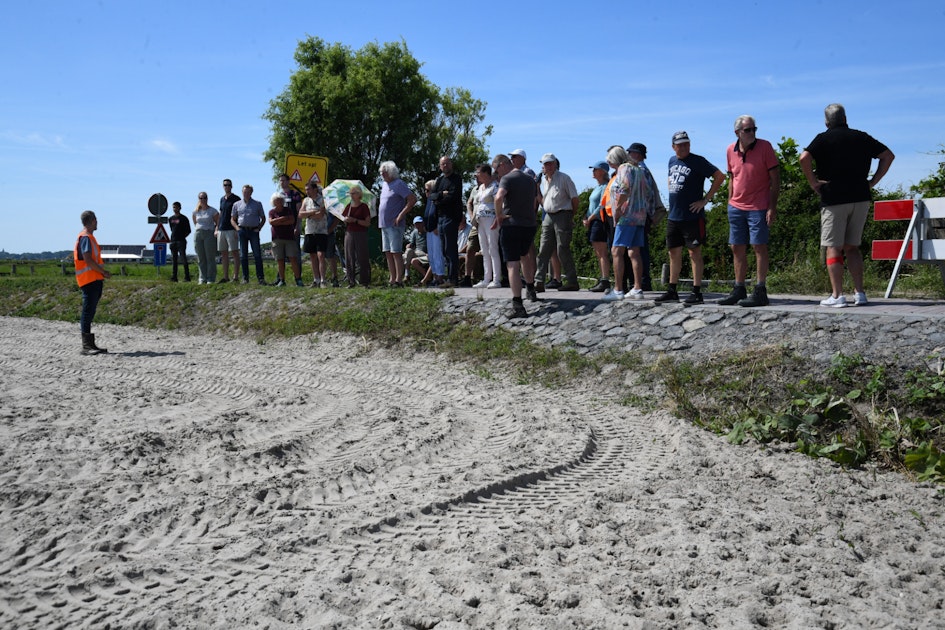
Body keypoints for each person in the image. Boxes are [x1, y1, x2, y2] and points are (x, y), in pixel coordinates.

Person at [800, 103, 895, 308]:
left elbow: (804, 157)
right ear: (845, 118)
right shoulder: (861, 137)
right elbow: (888, 156)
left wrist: (813, 183)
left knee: (833, 247)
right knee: (852, 247)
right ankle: (859, 293)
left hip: (834, 198)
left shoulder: (823, 138)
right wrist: (873, 181)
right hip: (860, 196)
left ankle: (837, 295)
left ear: (827, 122)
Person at [716, 116, 781, 308]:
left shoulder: (765, 147)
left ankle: (760, 289)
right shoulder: (730, 150)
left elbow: (775, 179)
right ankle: (739, 288)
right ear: (737, 133)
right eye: (748, 130)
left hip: (759, 206)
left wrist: (772, 206)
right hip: (736, 206)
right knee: (736, 247)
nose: (752, 133)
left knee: (759, 246)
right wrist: (729, 201)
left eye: (754, 129)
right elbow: (732, 177)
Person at [655, 131, 725, 305]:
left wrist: (705, 200)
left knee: (694, 252)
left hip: (692, 216)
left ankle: (696, 291)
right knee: (673, 253)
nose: (684, 147)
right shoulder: (671, 161)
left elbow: (720, 176)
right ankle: (672, 290)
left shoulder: (698, 161)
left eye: (686, 143)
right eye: (680, 144)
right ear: (673, 147)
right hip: (674, 216)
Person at [603, 147, 655, 301]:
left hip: (626, 216)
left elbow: (624, 188)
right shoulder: (638, 169)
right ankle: (637, 288)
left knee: (616, 251)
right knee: (634, 251)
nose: (610, 165)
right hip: (640, 216)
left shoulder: (624, 168)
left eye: (611, 161)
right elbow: (648, 192)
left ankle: (618, 290)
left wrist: (618, 209)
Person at [493, 153, 539, 318]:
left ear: (502, 165)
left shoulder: (507, 179)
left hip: (511, 224)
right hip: (529, 224)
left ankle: (518, 304)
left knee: (512, 264)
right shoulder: (529, 179)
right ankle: (531, 289)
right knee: (525, 256)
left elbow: (499, 198)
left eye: (496, 171)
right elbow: (536, 200)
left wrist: (498, 216)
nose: (497, 175)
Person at [536, 154, 580, 291]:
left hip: (563, 213)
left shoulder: (564, 178)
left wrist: (570, 216)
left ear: (555, 164)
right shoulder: (544, 181)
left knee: (562, 249)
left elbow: (575, 199)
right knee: (544, 249)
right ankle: (538, 281)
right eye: (544, 164)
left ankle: (572, 281)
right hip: (548, 214)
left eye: (549, 163)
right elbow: (545, 201)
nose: (546, 166)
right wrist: (536, 189)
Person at [627, 142, 665, 291]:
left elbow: (644, 193)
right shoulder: (644, 170)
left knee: (639, 249)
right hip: (644, 214)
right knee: (640, 249)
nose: (629, 156)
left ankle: (642, 282)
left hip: (639, 214)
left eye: (631, 153)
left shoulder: (640, 170)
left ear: (638, 154)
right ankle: (642, 281)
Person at [74, 210, 111, 355]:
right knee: (87, 312)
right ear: (93, 220)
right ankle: (86, 346)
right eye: (96, 220)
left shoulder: (87, 237)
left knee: (89, 312)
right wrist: (103, 272)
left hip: (93, 279)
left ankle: (90, 344)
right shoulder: (86, 238)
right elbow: (88, 260)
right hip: (89, 280)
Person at [378, 161, 417, 287]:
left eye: (384, 172)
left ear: (391, 172)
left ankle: (399, 280)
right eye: (381, 172)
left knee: (396, 252)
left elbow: (412, 199)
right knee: (388, 252)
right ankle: (392, 279)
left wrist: (401, 215)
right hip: (384, 223)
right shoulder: (384, 185)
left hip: (395, 223)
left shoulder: (399, 183)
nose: (382, 174)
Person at [431, 156, 464, 287]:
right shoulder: (439, 180)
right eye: (442, 164)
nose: (445, 166)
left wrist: (441, 198)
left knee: (450, 249)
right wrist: (441, 195)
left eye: (447, 163)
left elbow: (453, 196)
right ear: (440, 166)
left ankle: (453, 279)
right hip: (441, 218)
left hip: (451, 217)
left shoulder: (457, 179)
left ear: (451, 164)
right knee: (444, 250)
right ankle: (448, 277)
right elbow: (432, 196)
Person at [472, 163, 502, 289]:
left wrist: (497, 218)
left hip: (491, 219)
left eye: (478, 173)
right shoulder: (480, 188)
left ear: (485, 173)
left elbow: (499, 202)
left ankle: (496, 279)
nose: (476, 176)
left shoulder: (495, 186)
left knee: (493, 248)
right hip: (480, 221)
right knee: (484, 250)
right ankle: (486, 278)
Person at [231, 184, 267, 284]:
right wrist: (237, 229)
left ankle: (261, 278)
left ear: (251, 192)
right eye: (244, 192)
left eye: (248, 192)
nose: (246, 193)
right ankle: (245, 278)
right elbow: (233, 219)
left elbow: (263, 218)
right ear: (242, 192)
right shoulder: (237, 204)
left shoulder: (257, 204)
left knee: (257, 255)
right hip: (242, 230)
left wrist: (259, 228)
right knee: (243, 255)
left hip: (254, 231)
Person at [584, 161, 611, 293]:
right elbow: (592, 206)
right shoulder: (597, 187)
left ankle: (605, 279)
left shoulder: (606, 186)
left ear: (603, 171)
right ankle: (602, 278)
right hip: (593, 221)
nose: (593, 171)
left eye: (596, 169)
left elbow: (602, 205)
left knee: (602, 252)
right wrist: (586, 217)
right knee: (598, 252)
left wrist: (590, 218)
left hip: (599, 222)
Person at [268, 193, 303, 286]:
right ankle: (282, 280)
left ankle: (298, 279)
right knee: (280, 260)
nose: (278, 202)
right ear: (273, 202)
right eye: (276, 200)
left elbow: (291, 221)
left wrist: (279, 221)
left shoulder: (288, 210)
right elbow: (271, 222)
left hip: (289, 238)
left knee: (293, 258)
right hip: (277, 238)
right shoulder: (271, 212)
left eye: (280, 200)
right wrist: (284, 219)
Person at [299, 180, 329, 287]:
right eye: (306, 190)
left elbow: (320, 215)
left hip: (321, 231)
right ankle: (315, 279)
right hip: (310, 231)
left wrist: (309, 215)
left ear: (315, 189)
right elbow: (300, 214)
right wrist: (311, 213)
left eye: (309, 189)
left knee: (321, 255)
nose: (307, 191)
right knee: (312, 256)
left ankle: (323, 280)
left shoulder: (322, 200)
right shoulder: (306, 201)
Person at [342, 186, 372, 288]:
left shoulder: (364, 207)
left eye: (353, 193)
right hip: (349, 233)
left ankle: (365, 281)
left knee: (362, 256)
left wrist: (355, 220)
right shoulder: (348, 206)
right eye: (350, 193)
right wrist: (346, 220)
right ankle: (351, 281)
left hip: (360, 233)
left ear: (359, 194)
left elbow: (367, 223)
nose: (351, 195)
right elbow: (343, 217)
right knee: (349, 257)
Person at [422, 180, 446, 287]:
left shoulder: (437, 199)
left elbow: (440, 213)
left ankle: (440, 277)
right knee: (431, 255)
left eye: (428, 190)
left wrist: (437, 225)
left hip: (435, 229)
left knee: (437, 254)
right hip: (428, 230)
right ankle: (435, 277)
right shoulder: (428, 201)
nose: (426, 193)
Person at [216, 179, 241, 283]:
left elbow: (239, 214)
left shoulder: (236, 199)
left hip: (231, 229)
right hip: (222, 228)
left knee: (235, 252)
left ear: (231, 186)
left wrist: (237, 229)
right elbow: (220, 213)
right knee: (224, 253)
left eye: (228, 185)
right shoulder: (222, 199)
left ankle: (235, 277)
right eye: (225, 185)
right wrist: (216, 227)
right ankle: (225, 277)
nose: (227, 187)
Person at [192, 192, 219, 284]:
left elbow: (218, 223)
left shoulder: (212, 211)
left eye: (204, 198)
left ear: (207, 199)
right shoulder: (195, 212)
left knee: (210, 257)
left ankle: (210, 278)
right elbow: (195, 222)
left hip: (209, 233)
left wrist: (215, 231)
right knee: (201, 257)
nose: (202, 200)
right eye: (201, 198)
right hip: (199, 234)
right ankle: (202, 278)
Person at [167, 201, 192, 282]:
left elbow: (188, 230)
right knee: (174, 260)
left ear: (180, 208)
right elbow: (172, 229)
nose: (175, 209)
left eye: (176, 207)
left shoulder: (184, 218)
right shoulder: (170, 219)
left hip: (181, 241)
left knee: (183, 258)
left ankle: (187, 277)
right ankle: (174, 277)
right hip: (173, 241)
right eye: (174, 207)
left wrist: (182, 237)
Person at [404, 216, 429, 283]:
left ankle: (427, 277)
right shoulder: (414, 232)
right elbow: (412, 244)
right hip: (417, 252)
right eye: (416, 224)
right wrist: (408, 245)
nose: (418, 225)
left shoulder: (428, 232)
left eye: (420, 223)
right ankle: (407, 275)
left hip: (425, 253)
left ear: (423, 223)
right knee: (408, 251)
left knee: (413, 261)